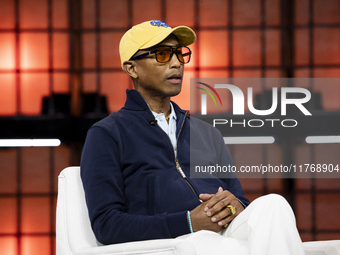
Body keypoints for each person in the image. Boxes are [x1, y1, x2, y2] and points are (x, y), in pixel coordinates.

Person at [80, 20, 305, 255]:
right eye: (163, 54)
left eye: (179, 53)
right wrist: (188, 222)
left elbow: (240, 200)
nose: (177, 62)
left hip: (225, 233)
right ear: (131, 68)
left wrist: (237, 207)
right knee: (209, 244)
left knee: (273, 204)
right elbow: (106, 225)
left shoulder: (207, 133)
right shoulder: (107, 134)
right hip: (170, 243)